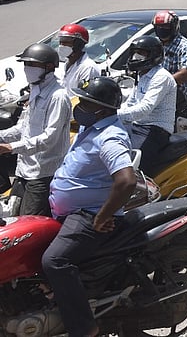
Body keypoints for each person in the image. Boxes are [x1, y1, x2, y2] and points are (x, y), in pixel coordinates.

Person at [42, 76, 137, 337]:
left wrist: (101, 216)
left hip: (89, 215)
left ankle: (85, 329)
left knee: (55, 261)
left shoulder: (110, 137)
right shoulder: (92, 127)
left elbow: (127, 180)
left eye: (85, 103)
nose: (79, 106)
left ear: (102, 109)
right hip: (66, 211)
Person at [0, 44, 71, 217]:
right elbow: (23, 128)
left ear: (48, 67)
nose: (27, 70)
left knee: (29, 225)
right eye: (26, 65)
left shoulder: (58, 97)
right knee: (12, 216)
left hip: (42, 174)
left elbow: (49, 138)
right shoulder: (35, 90)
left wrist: (11, 148)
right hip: (24, 169)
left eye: (32, 65)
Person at [117, 36, 177, 169]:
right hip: (136, 125)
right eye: (134, 53)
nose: (136, 57)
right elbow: (131, 102)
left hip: (155, 129)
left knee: (130, 165)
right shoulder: (142, 74)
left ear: (154, 55)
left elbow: (145, 108)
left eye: (142, 53)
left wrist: (114, 115)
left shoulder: (161, 77)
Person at [153, 10, 187, 112]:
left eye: (165, 27)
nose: (162, 30)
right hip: (155, 87)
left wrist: (159, 83)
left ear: (173, 27)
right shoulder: (156, 43)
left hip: (176, 90)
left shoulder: (185, 46)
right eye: (159, 27)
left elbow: (184, 75)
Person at [56, 23, 101, 98]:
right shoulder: (66, 64)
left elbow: (85, 97)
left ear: (78, 44)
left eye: (66, 42)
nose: (61, 45)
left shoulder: (88, 68)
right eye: (60, 42)